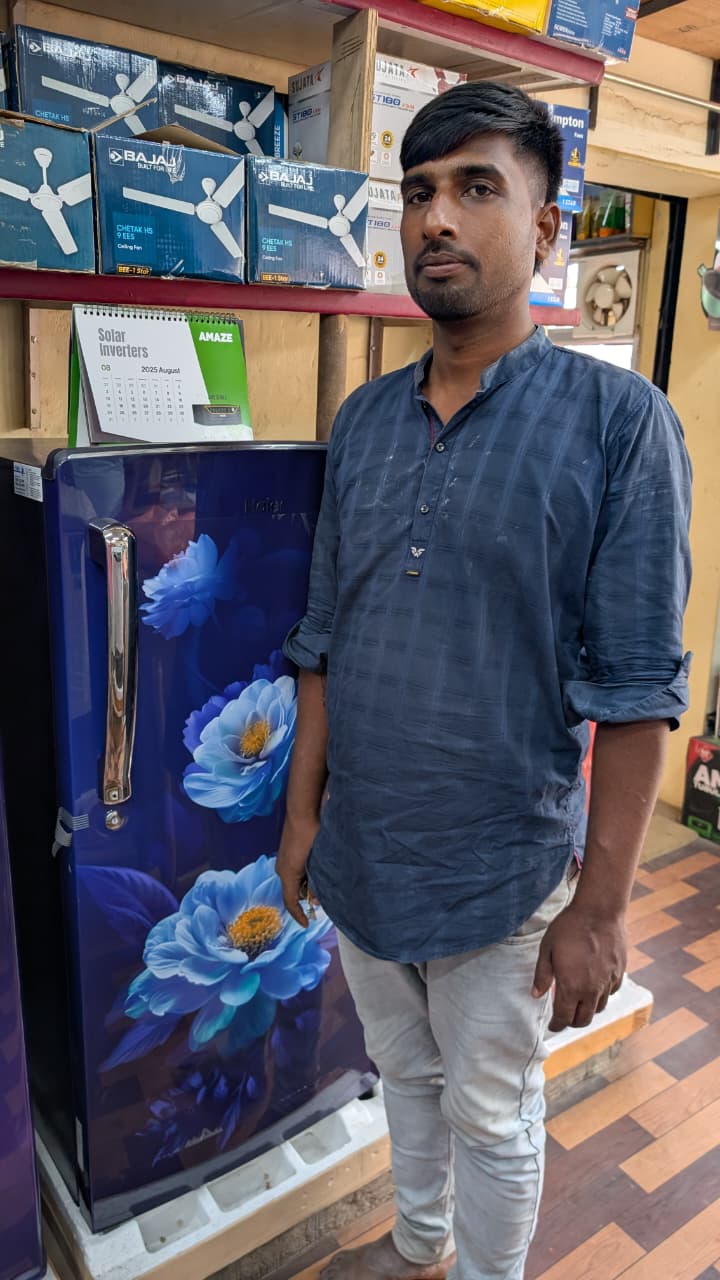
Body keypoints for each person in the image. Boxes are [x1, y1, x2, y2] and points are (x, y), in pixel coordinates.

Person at [278, 82, 692, 1280]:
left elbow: (638, 689)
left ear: (547, 228)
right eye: (418, 192)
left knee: (494, 1112)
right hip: (363, 849)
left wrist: (601, 908)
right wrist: (302, 817)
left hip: (500, 875)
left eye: (475, 187)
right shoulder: (364, 421)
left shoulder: (620, 423)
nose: (437, 219)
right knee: (402, 1075)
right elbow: (322, 635)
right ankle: (420, 1242)